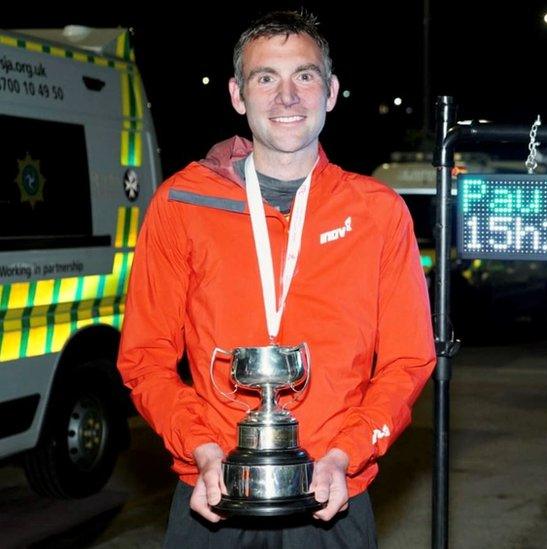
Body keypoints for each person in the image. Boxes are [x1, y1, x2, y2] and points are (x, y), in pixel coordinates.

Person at [117, 10, 435, 548]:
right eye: (266, 78)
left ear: (330, 91)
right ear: (238, 96)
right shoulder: (183, 203)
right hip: (212, 492)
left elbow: (408, 360)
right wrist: (200, 445)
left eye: (304, 76)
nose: (287, 98)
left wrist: (347, 452)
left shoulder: (377, 211)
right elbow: (144, 356)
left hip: (334, 496)